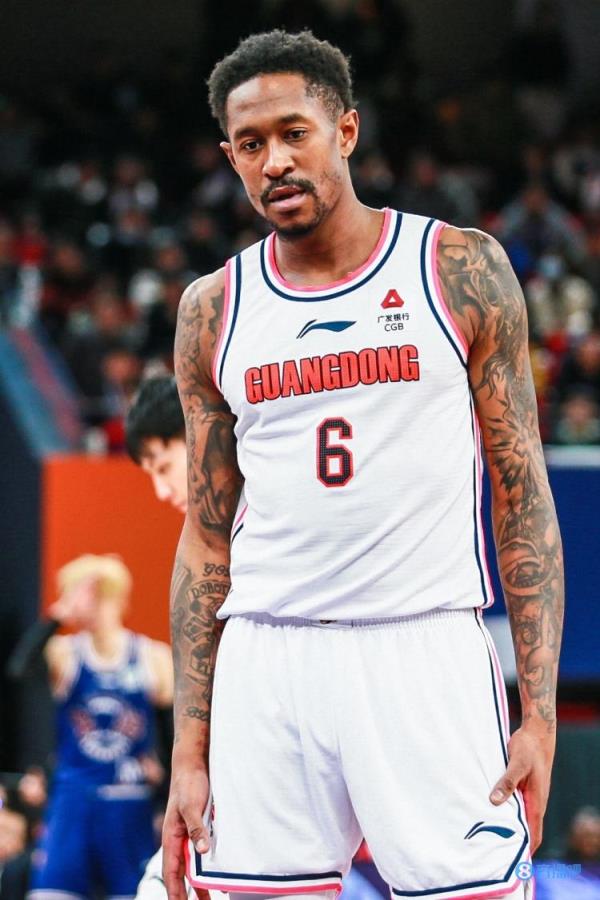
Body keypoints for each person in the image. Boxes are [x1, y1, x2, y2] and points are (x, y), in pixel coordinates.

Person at [163, 30, 564, 900]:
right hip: (267, 655)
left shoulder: (456, 268)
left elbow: (523, 495)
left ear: (345, 130)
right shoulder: (212, 309)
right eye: (250, 144)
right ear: (230, 158)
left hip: (421, 642)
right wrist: (188, 749)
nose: (275, 160)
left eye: (293, 132)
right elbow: (205, 537)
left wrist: (539, 712)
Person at [8, 554, 173, 900]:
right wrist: (57, 616)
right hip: (74, 799)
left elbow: (175, 731)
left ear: (109, 596)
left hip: (129, 801)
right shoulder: (65, 652)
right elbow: (19, 670)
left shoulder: (151, 657)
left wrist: (166, 793)